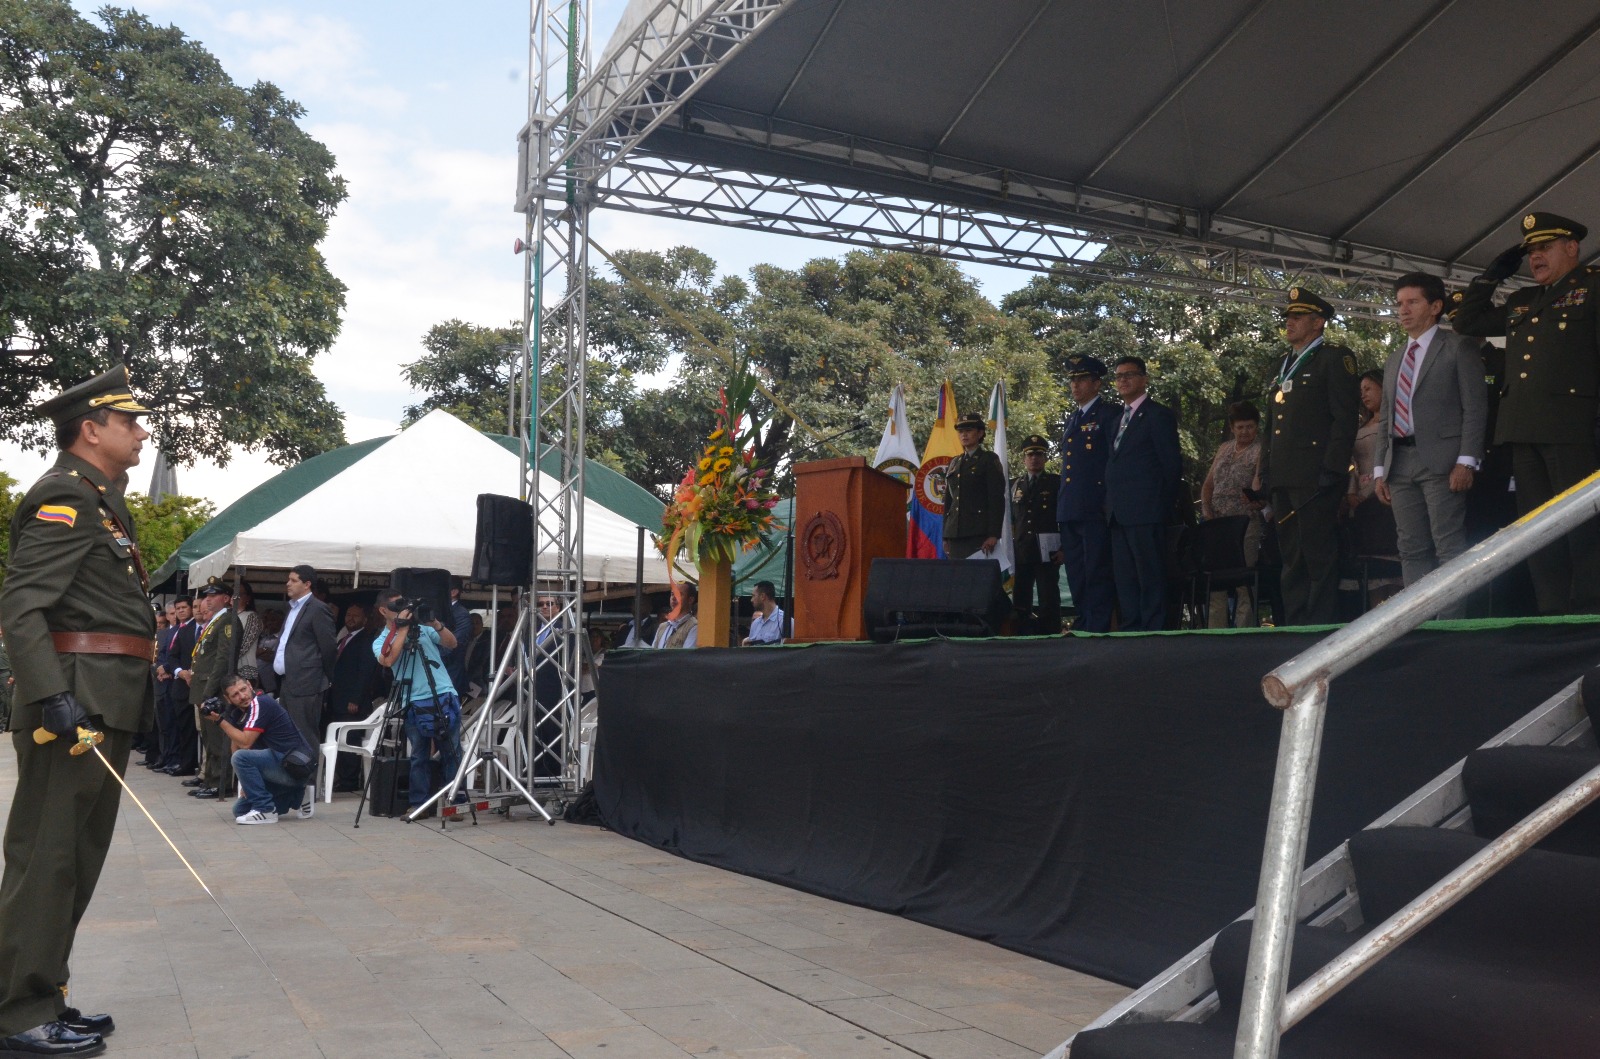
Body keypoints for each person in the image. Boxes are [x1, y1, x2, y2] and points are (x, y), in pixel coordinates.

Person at [0, 366, 154, 1056]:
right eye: (129, 421)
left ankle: (46, 995)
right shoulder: (65, 495)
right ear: (91, 430)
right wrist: (50, 694)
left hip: (102, 693)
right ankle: (16, 1013)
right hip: (75, 697)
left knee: (77, 858)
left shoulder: (99, 498)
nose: (141, 429)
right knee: (48, 857)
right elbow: (23, 603)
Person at [1454, 211, 1600, 614]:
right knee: (1536, 531)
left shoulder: (1594, 288)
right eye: (1531, 251)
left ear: (1572, 247)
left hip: (1573, 431)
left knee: (1583, 528)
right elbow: (1468, 322)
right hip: (1522, 429)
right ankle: (1551, 612)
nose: (1535, 257)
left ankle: (1589, 615)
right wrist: (1490, 276)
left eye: (1545, 248)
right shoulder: (1521, 301)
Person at [1370, 272, 1488, 615]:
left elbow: (1475, 407)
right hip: (1400, 461)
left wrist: (1467, 461)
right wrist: (1380, 469)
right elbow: (1385, 417)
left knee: (1448, 545)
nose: (1403, 310)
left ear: (1436, 306)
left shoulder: (1457, 346)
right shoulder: (1395, 358)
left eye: (1412, 302)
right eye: (1399, 303)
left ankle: (1451, 626)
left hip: (1443, 460)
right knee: (1410, 548)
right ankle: (1416, 623)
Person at [1259, 288, 1361, 625]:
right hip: (1284, 475)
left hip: (1316, 475)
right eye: (1288, 317)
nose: (1289, 322)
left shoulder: (1334, 359)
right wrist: (1265, 470)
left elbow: (1344, 418)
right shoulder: (1282, 364)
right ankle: (1294, 623)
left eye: (1297, 317)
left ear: (1318, 323)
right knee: (1291, 556)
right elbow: (1272, 424)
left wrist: (1332, 469)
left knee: (1318, 554)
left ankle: (1318, 626)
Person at [1103, 356, 1182, 631]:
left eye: (1129, 374)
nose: (1123, 380)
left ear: (1144, 379)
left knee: (1150, 574)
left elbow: (1171, 465)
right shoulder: (1116, 420)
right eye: (1118, 376)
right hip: (1117, 513)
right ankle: (1131, 628)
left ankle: (1153, 628)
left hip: (1146, 510)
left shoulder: (1157, 415)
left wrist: (1159, 504)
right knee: (1125, 577)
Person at [375, 590, 462, 815]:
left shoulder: (423, 629)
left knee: (451, 751)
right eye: (397, 606)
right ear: (384, 611)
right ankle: (419, 804)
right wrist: (401, 628)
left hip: (442, 693)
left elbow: (452, 644)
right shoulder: (381, 640)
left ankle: (454, 802)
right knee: (418, 754)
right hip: (412, 700)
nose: (404, 610)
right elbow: (388, 659)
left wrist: (433, 622)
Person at [1057, 355, 1122, 632]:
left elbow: (1113, 462)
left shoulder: (1109, 414)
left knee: (1097, 570)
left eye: (1082, 379)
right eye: (1072, 380)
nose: (1075, 385)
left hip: (1095, 506)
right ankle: (1083, 622)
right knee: (1076, 572)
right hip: (1071, 507)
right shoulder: (1073, 418)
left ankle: (1097, 625)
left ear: (1097, 383)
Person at [272, 564, 335, 818]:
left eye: (293, 580)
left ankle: (307, 793)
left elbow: (329, 648)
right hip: (288, 681)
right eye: (288, 579)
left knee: (306, 736)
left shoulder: (318, 609)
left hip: (307, 682)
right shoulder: (292, 608)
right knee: (285, 735)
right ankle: (289, 787)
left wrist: (324, 678)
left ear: (307, 584)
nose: (288, 584)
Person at [210, 674, 315, 825]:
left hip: (294, 766)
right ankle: (299, 795)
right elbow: (236, 744)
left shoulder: (261, 702)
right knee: (240, 811)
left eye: (243, 689)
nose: (242, 696)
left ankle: (265, 810)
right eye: (235, 694)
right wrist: (246, 782)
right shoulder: (237, 712)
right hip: (279, 767)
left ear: (250, 685)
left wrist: (220, 721)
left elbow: (245, 744)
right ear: (228, 699)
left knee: (241, 757)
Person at [1200, 401, 1266, 628]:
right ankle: (1214, 633)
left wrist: (1258, 499)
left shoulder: (1261, 450)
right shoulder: (1223, 449)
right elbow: (1208, 484)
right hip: (1217, 523)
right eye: (1240, 427)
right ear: (1232, 428)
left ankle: (1243, 632)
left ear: (1257, 427)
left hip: (1245, 523)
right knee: (1216, 582)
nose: (1245, 431)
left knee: (1243, 581)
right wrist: (1207, 511)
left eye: (1250, 426)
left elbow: (1259, 484)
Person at [1343, 371, 1403, 611]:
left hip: (1389, 496)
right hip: (1362, 499)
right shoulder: (1360, 426)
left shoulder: (1396, 422)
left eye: (1368, 388)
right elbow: (1352, 467)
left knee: (1393, 565)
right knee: (1372, 571)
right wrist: (1351, 492)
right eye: (1361, 391)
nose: (1363, 394)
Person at [182, 581, 243, 801]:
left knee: (218, 740)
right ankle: (210, 780)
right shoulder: (216, 621)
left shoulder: (228, 621)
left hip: (215, 689)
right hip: (204, 687)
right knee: (208, 739)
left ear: (226, 598)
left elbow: (223, 660)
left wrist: (209, 691)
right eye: (206, 596)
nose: (208, 599)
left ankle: (220, 783)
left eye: (213, 595)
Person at [1009, 434, 1063, 634]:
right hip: (1022, 549)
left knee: (1048, 597)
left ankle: (1051, 636)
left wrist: (1063, 548)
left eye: (1039, 454)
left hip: (1047, 550)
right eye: (1030, 455)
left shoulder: (1056, 483)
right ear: (1024, 459)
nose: (1034, 458)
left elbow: (1064, 518)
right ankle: (1022, 637)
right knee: (1021, 599)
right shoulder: (1014, 485)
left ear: (1045, 458)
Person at [325, 603, 380, 792]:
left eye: (356, 616)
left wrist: (356, 699)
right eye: (348, 614)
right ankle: (341, 777)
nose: (351, 619)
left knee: (350, 740)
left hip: (352, 701)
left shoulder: (366, 640)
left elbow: (365, 672)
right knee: (338, 738)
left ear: (365, 619)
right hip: (337, 698)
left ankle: (349, 782)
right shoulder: (344, 638)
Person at [941, 412, 1007, 560]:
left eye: (969, 431)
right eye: (961, 431)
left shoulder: (988, 459)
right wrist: (946, 534)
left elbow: (996, 499)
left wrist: (993, 534)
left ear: (980, 433)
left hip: (979, 532)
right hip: (955, 532)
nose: (964, 435)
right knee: (957, 578)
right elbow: (949, 502)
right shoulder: (954, 462)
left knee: (977, 579)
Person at [153, 597, 198, 775]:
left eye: (184, 608)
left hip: (188, 682)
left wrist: (178, 670)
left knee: (188, 728)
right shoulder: (176, 630)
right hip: (175, 683)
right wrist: (168, 668)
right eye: (176, 609)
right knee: (173, 725)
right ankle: (172, 758)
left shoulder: (193, 628)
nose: (180, 611)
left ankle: (185, 762)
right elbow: (170, 654)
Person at [442, 578, 473, 692]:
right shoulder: (439, 611)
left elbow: (454, 645)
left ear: (454, 592)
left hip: (450, 676)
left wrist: (428, 656)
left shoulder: (461, 615)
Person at [233, 581, 261, 688]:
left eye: (239, 594)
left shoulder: (251, 616)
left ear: (248, 598)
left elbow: (244, 645)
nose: (235, 597)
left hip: (244, 670)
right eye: (233, 593)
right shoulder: (227, 616)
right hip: (228, 669)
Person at [742, 581, 786, 645]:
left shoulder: (785, 622)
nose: (751, 600)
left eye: (753, 596)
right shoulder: (755, 623)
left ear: (763, 596)